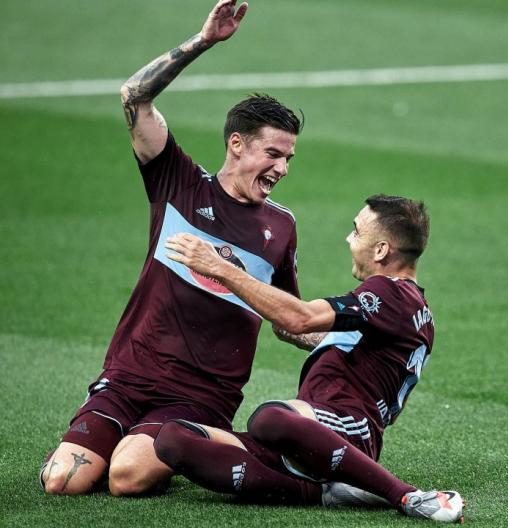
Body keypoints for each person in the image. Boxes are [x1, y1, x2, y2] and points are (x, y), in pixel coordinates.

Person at [41, 0, 304, 496]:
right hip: (129, 376)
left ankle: (196, 443)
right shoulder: (178, 182)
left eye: (289, 158)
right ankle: (134, 442)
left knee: (125, 476)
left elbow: (286, 314)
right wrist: (203, 41)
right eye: (273, 153)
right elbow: (134, 96)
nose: (282, 168)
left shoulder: (280, 227)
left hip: (201, 396)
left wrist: (339, 337)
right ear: (237, 145)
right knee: (64, 482)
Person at [156, 195, 465, 523]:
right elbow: (302, 331)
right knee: (174, 439)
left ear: (381, 250)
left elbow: (299, 319)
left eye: (357, 232)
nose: (349, 239)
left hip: (345, 429)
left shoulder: (390, 293)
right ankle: (324, 491)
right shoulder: (414, 310)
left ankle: (405, 495)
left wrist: (219, 268)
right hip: (311, 436)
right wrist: (263, 289)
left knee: (269, 419)